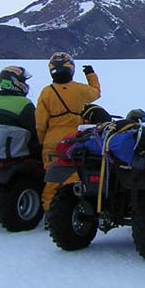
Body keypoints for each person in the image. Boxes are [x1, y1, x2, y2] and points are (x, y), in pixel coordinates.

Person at [36, 52, 101, 211]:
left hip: (51, 140)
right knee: (73, 178)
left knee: (52, 179)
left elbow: (40, 122)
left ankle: (49, 211)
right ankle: (70, 212)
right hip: (73, 141)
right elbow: (96, 93)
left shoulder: (46, 92)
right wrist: (91, 75)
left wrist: (41, 140)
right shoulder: (78, 89)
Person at [0, 66, 40, 156]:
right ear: (14, 83)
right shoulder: (24, 104)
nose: (25, 84)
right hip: (19, 151)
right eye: (22, 81)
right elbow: (37, 130)